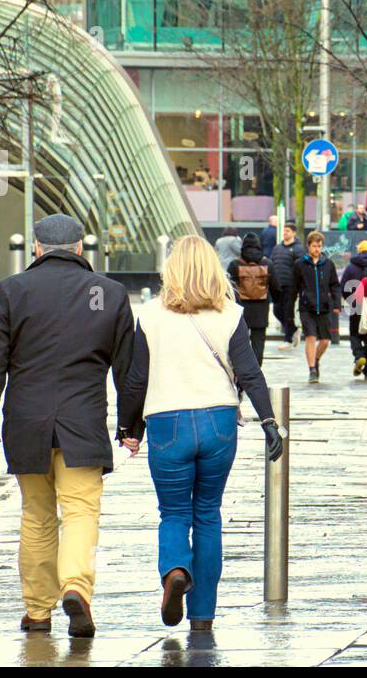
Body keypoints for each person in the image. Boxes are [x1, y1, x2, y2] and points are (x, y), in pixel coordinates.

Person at [0, 214, 135, 638]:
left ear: (37, 248)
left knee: (37, 515)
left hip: (26, 422)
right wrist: (131, 425)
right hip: (84, 421)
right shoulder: (109, 293)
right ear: (80, 247)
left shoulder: (12, 291)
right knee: (80, 511)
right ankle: (75, 586)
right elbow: (128, 369)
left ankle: (38, 610)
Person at [118, 236, 283, 632]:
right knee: (208, 513)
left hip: (167, 422)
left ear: (171, 270)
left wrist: (129, 427)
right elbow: (250, 372)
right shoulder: (230, 314)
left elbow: (136, 379)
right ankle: (203, 616)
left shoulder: (150, 315)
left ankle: (176, 570)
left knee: (174, 513)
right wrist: (268, 420)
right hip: (218, 422)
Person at [291, 230, 342, 383]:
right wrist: (289, 309)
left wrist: (337, 303)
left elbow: (335, 285)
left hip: (324, 307)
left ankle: (316, 359)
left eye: (319, 246)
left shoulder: (328, 264)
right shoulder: (300, 264)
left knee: (325, 341)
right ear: (308, 246)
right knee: (310, 337)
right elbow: (294, 287)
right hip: (307, 307)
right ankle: (312, 369)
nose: (317, 249)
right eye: (314, 246)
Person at [228, 233, 277, 366]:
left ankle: (241, 369)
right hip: (261, 311)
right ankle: (256, 369)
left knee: (240, 343)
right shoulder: (267, 263)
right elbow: (276, 287)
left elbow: (228, 288)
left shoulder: (235, 264)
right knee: (258, 342)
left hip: (240, 311)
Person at [340, 239, 367, 376]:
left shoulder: (351, 267)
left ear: (359, 250)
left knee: (355, 334)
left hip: (356, 306)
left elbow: (343, 287)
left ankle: (359, 356)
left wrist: (351, 300)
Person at [270, 222, 305, 350]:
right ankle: (294, 330)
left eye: (288, 231)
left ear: (294, 233)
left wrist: (299, 285)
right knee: (277, 311)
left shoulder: (298, 249)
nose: (285, 233)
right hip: (277, 285)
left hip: (291, 286)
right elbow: (272, 263)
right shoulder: (277, 248)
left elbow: (301, 268)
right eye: (284, 231)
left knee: (288, 312)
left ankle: (288, 339)